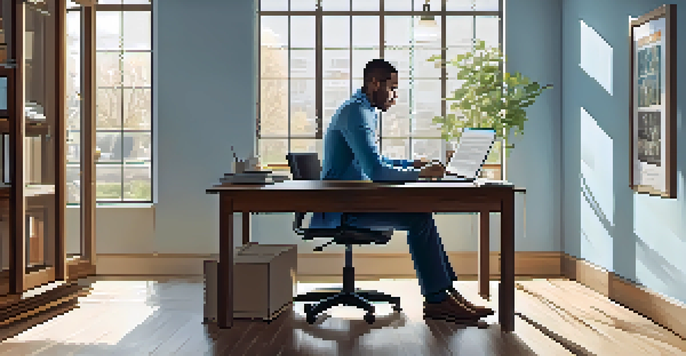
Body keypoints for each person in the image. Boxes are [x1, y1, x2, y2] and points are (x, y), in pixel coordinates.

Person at [311, 59, 494, 322]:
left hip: (354, 200)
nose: (395, 96)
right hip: (343, 207)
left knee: (420, 215)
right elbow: (376, 172)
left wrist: (412, 164)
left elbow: (376, 161)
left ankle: (445, 294)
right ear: (375, 83)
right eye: (392, 88)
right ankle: (438, 299)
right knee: (419, 218)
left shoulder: (362, 110)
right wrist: (421, 174)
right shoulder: (356, 113)